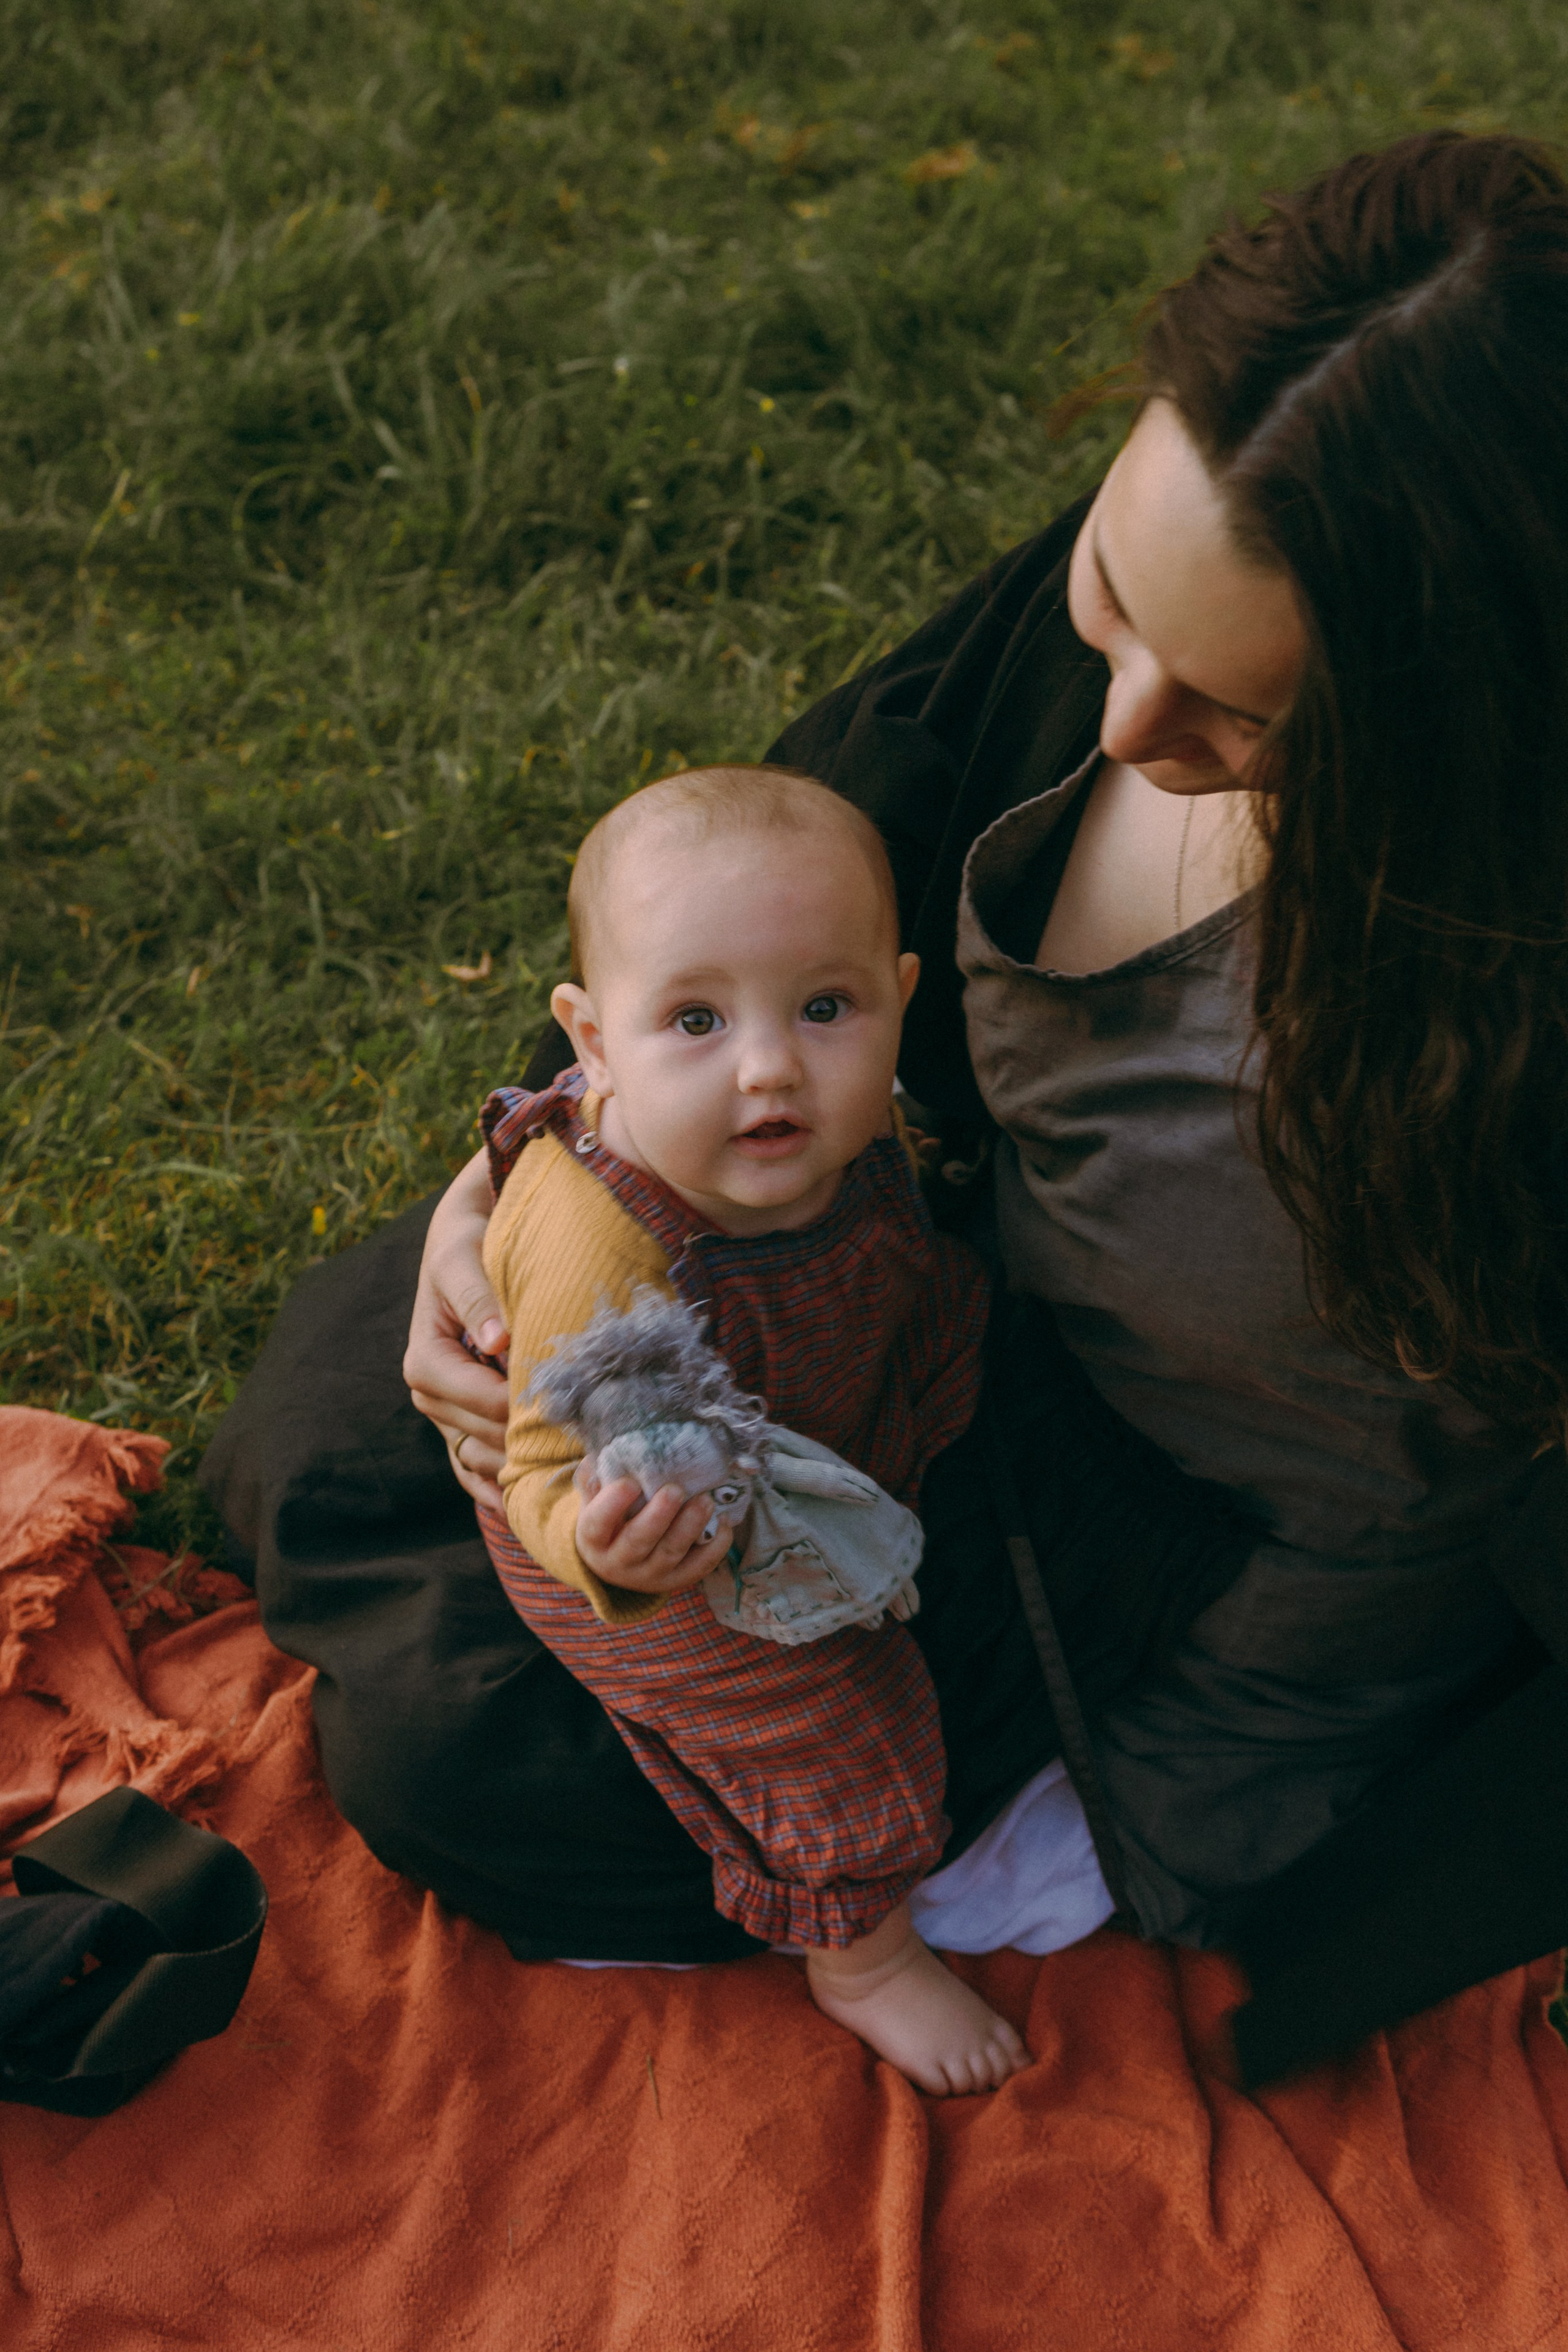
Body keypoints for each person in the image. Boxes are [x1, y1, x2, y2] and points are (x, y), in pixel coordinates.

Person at [201, 127, 1568, 2088]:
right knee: (340, 1396)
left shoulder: (1489, 1041)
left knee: (466, 1762)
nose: (1130, 726)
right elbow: (767, 873)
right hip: (873, 1282)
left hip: (1123, 1537)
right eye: (1115, 601)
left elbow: (1421, 1525)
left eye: (1246, 718)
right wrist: (515, 1193)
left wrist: (1162, 1805)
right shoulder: (1172, 596)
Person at [473, 763, 1028, 2094]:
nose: (772, 1065)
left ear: (899, 995)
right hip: (664, 1525)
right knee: (835, 1724)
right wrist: (604, 1546)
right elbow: (539, 1464)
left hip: (834, 1404)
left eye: (826, 1007)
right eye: (696, 1020)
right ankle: (862, 1956)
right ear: (592, 1041)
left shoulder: (837, 1129)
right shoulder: (604, 1247)